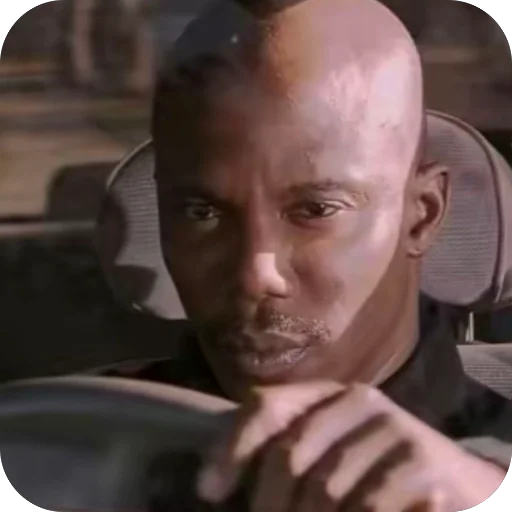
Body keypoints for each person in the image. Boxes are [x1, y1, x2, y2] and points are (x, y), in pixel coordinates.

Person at [101, 0, 512, 509]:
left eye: (316, 210)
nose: (256, 274)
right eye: (200, 212)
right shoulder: (68, 445)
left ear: (421, 216)